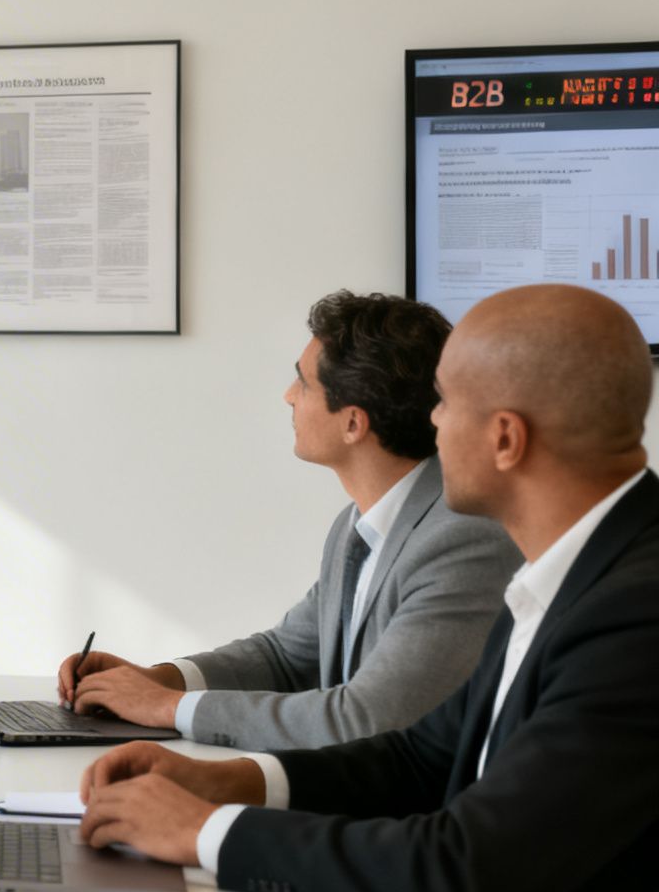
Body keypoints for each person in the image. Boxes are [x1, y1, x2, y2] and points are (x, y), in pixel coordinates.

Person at [77, 284, 659, 892]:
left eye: (444, 402)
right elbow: (420, 758)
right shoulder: (569, 571)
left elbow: (463, 870)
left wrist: (207, 832)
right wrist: (223, 783)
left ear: (505, 439)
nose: (430, 423)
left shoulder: (634, 617)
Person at [57, 291, 521, 750]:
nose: (288, 396)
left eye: (303, 383)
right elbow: (284, 656)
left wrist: (166, 708)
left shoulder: (462, 535)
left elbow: (366, 719)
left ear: (353, 423)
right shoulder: (356, 526)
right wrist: (154, 679)